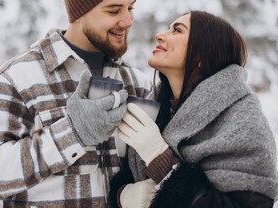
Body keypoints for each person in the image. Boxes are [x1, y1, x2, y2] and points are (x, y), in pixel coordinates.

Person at [0, 0, 151, 207]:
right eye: (113, 10)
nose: (127, 21)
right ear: (79, 11)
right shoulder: (17, 79)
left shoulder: (137, 83)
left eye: (131, 8)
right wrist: (72, 133)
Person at [109, 11, 278, 208]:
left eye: (177, 30)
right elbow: (129, 177)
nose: (160, 35)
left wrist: (160, 161)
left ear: (202, 54)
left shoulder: (244, 122)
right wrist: (122, 195)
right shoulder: (155, 111)